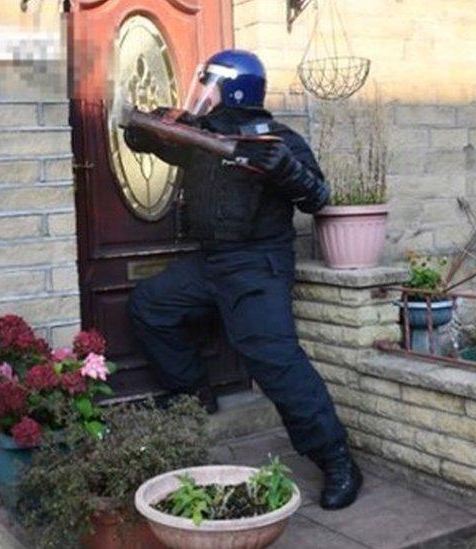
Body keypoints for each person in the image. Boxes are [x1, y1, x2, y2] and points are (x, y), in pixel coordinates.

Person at [124, 50, 361, 510]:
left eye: (210, 85)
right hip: (210, 263)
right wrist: (142, 127)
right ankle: (194, 393)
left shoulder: (278, 140)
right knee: (151, 306)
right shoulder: (199, 134)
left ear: (232, 88)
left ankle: (336, 459)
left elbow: (318, 197)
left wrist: (286, 171)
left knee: (275, 361)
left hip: (257, 267)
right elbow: (147, 141)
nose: (204, 95)